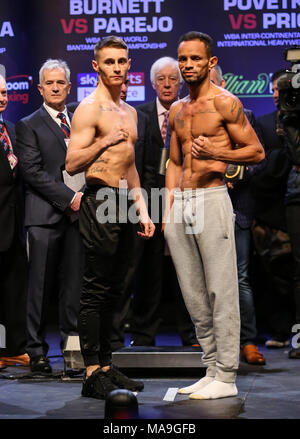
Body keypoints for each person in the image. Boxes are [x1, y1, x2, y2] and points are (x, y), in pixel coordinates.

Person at [163, 31, 264, 400]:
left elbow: (256, 151)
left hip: (211, 198)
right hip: (181, 204)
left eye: (195, 59)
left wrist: (219, 158)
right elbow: (174, 161)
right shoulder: (177, 109)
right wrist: (168, 208)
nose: (188, 65)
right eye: (183, 59)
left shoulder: (226, 103)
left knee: (221, 289)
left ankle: (227, 373)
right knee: (193, 293)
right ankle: (210, 367)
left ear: (211, 62)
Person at [65, 36, 155, 400]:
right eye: (109, 62)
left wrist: (143, 210)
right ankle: (90, 372)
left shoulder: (130, 113)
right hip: (99, 196)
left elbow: (131, 167)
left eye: (122, 61)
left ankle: (105, 364)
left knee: (118, 289)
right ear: (96, 67)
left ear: (128, 64)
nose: (117, 68)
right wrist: (103, 143)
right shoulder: (88, 109)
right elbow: (71, 163)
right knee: (96, 288)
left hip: (123, 200)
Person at [15, 59, 84, 374]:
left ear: (69, 87)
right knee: (39, 290)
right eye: (50, 83)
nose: (56, 88)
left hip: (77, 219)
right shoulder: (28, 124)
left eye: (61, 83)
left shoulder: (81, 119)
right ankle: (37, 351)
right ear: (40, 88)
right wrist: (69, 198)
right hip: (44, 217)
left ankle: (72, 353)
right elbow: (31, 171)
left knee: (73, 291)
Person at [132, 56, 198, 347]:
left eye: (173, 79)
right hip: (148, 204)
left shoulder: (191, 111)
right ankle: (144, 335)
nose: (168, 84)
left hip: (186, 201)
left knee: (187, 270)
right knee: (148, 273)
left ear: (181, 82)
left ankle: (191, 334)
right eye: (161, 79)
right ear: (152, 83)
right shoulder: (139, 114)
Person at [210, 65, 266, 365]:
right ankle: (208, 340)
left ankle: (247, 342)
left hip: (238, 207)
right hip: (204, 204)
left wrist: (233, 174)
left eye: (214, 83)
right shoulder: (191, 115)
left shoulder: (243, 114)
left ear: (223, 84)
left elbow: (258, 159)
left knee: (240, 278)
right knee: (205, 278)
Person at [252, 70, 293, 349]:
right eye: (273, 89)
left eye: (281, 89)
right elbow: (259, 166)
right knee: (269, 276)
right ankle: (278, 330)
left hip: (292, 206)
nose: (276, 94)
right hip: (266, 211)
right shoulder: (264, 123)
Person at [0, 74, 29, 369]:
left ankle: (12, 348)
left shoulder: (11, 129)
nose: (2, 97)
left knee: (13, 289)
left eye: (5, 92)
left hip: (13, 224)